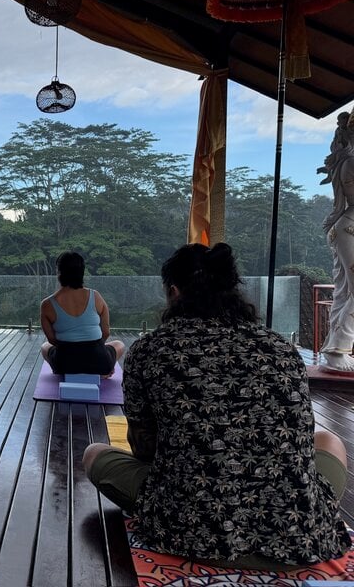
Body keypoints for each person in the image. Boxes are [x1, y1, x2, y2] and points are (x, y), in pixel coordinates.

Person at [83, 243, 351, 569]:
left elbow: (143, 449)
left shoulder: (150, 350)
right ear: (233, 289)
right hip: (296, 536)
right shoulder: (280, 348)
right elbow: (302, 445)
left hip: (188, 531)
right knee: (330, 441)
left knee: (94, 455)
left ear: (173, 291)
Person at [39, 251, 124, 376]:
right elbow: (106, 332)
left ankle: (66, 371)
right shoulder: (96, 296)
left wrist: (72, 349)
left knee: (44, 346)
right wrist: (92, 349)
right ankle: (103, 372)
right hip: (100, 362)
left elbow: (52, 340)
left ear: (59, 272)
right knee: (119, 344)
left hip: (64, 364)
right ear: (82, 272)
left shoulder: (47, 304)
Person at [320, 111, 354, 371]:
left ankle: (338, 350)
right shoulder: (350, 162)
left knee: (345, 290)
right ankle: (337, 349)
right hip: (349, 228)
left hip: (346, 227)